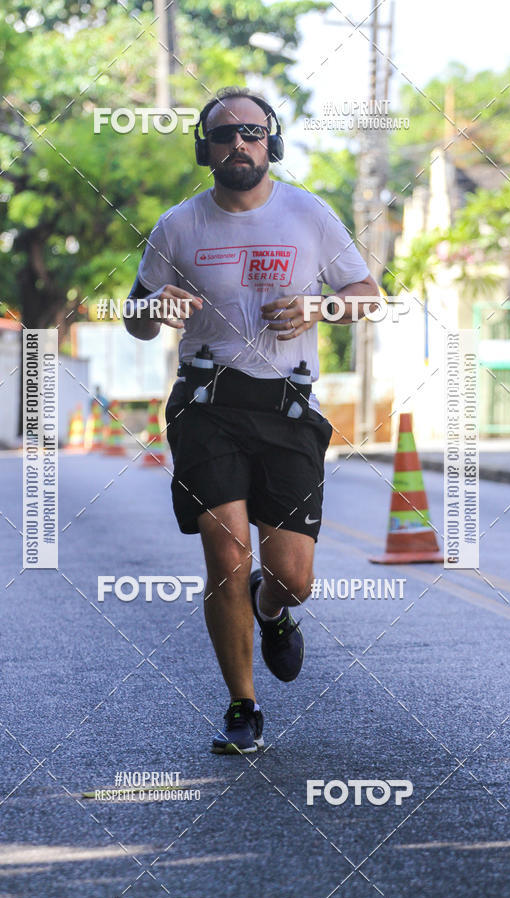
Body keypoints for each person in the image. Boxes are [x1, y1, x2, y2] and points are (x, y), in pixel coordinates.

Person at [124, 86, 379, 754]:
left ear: (272, 143)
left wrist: (322, 308)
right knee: (226, 553)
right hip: (206, 404)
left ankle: (271, 604)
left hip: (288, 407)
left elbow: (367, 295)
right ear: (205, 149)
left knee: (294, 577)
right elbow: (135, 316)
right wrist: (154, 309)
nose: (238, 144)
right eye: (223, 134)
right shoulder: (178, 225)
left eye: (252, 133)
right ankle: (243, 705)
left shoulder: (309, 214)